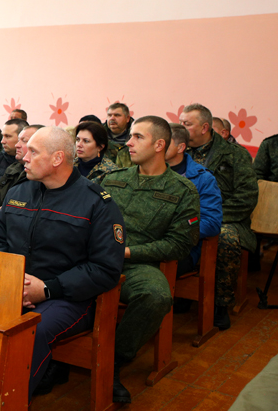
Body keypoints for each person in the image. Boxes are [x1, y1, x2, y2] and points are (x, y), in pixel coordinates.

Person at [0, 127, 125, 398]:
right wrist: (14, 282)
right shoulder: (19, 192)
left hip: (69, 298)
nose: (24, 156)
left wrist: (47, 289)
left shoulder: (97, 204)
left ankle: (7, 400)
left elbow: (106, 268)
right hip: (13, 286)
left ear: (57, 158)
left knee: (28, 332)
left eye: (33, 151)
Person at [101, 116, 200, 403]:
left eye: (137, 137)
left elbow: (180, 243)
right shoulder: (113, 179)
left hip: (138, 263)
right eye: (130, 137)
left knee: (156, 296)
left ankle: (114, 361)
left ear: (159, 145)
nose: (128, 143)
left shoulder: (182, 190)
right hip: (96, 256)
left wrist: (128, 252)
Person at [180, 103, 258, 330]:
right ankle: (182, 292)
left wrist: (213, 218)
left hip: (228, 218)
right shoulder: (180, 152)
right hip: (189, 215)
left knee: (223, 239)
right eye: (181, 123)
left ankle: (220, 303)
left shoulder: (234, 154)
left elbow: (247, 196)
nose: (182, 128)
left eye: (187, 124)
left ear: (204, 127)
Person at [164, 123, 222, 285]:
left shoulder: (203, 178)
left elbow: (211, 223)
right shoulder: (147, 171)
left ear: (181, 147)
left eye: (165, 142)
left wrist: (176, 230)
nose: (158, 146)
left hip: (183, 248)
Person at [0, 124, 43, 205]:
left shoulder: (42, 176)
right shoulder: (12, 169)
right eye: (18, 140)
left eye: (24, 141)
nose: (17, 145)